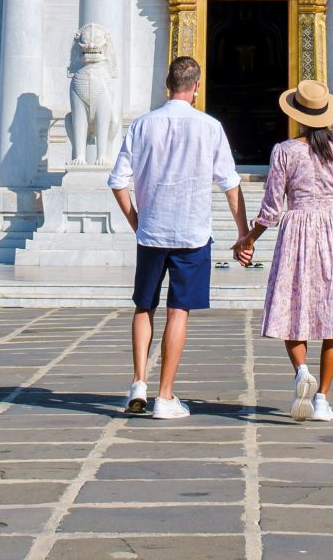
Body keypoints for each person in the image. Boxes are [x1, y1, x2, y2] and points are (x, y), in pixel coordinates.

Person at [108, 54, 249, 419]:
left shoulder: (142, 125)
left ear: (167, 85)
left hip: (151, 231)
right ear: (197, 87)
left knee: (144, 306)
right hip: (192, 233)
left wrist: (136, 220)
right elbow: (231, 186)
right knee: (178, 310)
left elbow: (118, 182)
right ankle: (164, 395)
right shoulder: (210, 126)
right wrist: (243, 233)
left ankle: (138, 382)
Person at [234, 78, 333, 422]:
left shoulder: (285, 150)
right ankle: (323, 398)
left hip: (296, 228)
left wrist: (249, 239)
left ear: (297, 115)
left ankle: (300, 371)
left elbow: (271, 208)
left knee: (292, 308)